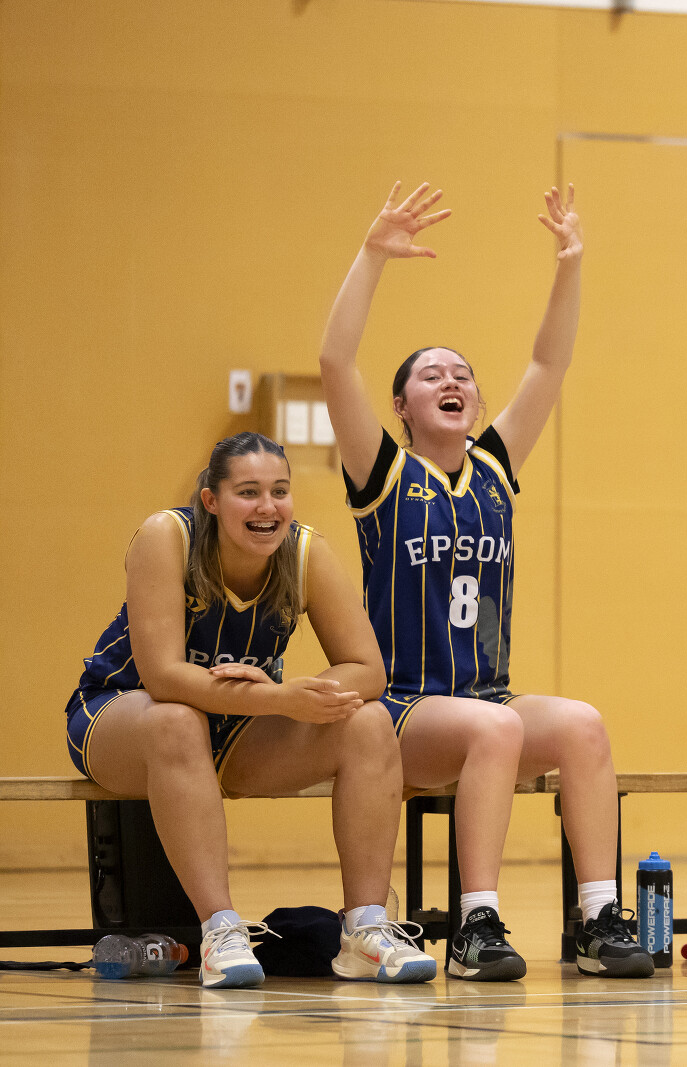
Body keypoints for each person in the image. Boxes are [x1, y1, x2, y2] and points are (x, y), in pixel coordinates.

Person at [318, 181, 651, 979]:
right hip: (403, 710)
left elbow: (549, 360)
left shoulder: (496, 468)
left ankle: (598, 918)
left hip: (486, 701)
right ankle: (476, 926)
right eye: (431, 374)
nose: (451, 380)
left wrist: (571, 263)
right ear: (401, 405)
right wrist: (372, 254)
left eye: (462, 373)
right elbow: (334, 361)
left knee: (583, 724)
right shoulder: (384, 472)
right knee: (495, 729)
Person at [67, 433, 433, 988]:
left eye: (280, 491)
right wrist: (276, 699)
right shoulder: (166, 536)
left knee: (369, 720)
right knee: (175, 720)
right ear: (211, 501)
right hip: (120, 715)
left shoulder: (306, 552)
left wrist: (306, 693)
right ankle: (220, 932)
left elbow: (367, 670)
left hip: (235, 730)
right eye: (248, 492)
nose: (268, 507)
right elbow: (164, 677)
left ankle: (364, 928)